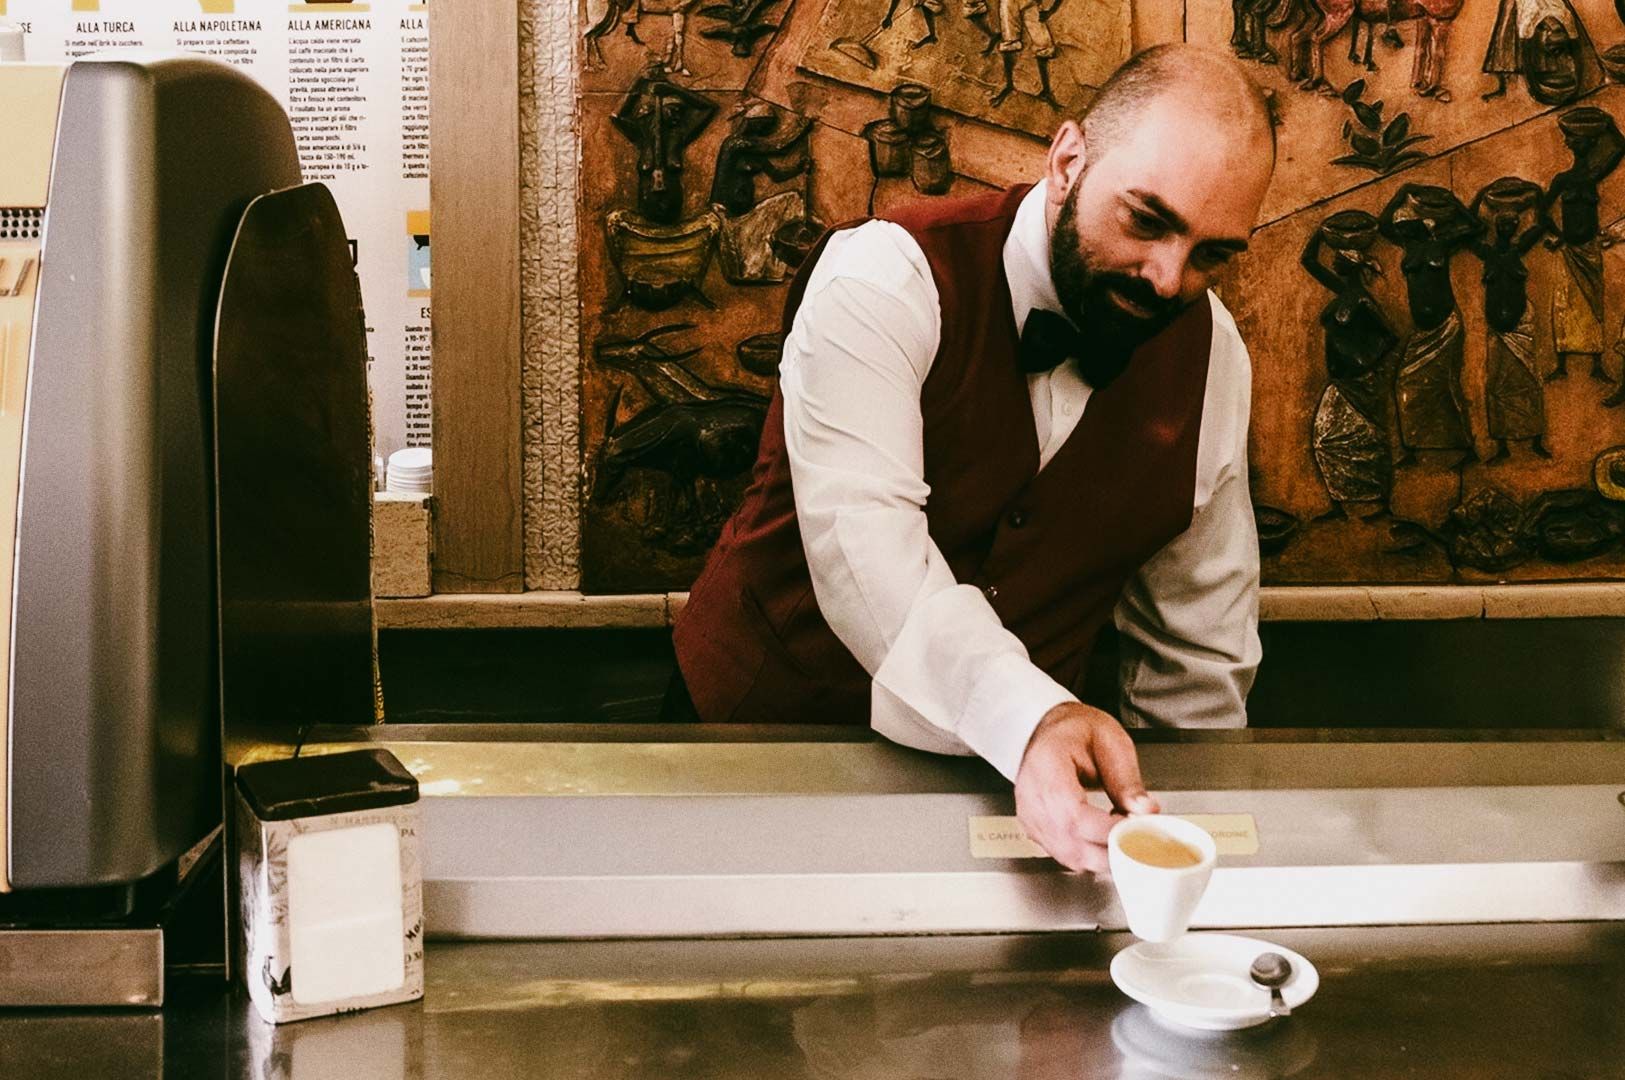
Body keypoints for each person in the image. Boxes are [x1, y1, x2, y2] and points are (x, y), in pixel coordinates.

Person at [670, 44, 1275, 872]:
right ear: (1067, 160)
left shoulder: (1214, 355)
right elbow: (866, 550)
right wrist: (1029, 721)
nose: (1168, 279)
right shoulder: (885, 273)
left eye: (1211, 254)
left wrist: (1187, 830)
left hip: (1015, 804)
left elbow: (1198, 634)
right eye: (1146, 219)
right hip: (761, 743)